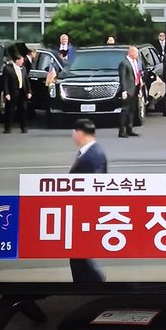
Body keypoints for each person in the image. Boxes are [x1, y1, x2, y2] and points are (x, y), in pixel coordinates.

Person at [69, 118, 106, 283]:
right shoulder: (87, 152)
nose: (72, 136)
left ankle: (95, 282)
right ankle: (88, 283)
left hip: (85, 210)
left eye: (74, 132)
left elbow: (96, 185)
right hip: (80, 209)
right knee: (78, 254)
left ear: (80, 133)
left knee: (79, 253)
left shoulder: (94, 155)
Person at [1, 53, 31, 133]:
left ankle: (24, 127)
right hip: (12, 92)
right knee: (10, 111)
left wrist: (29, 91)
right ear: (16, 60)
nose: (22, 62)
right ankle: (7, 128)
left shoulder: (23, 68)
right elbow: (5, 82)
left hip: (22, 92)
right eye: (21, 60)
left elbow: (26, 80)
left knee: (23, 110)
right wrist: (6, 93)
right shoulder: (7, 69)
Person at [117, 45, 142, 137]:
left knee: (132, 110)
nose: (137, 55)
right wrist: (124, 90)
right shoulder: (124, 63)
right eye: (136, 53)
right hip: (128, 90)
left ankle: (129, 129)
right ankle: (121, 131)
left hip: (135, 88)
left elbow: (137, 73)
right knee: (125, 110)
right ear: (130, 52)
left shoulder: (135, 62)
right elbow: (123, 78)